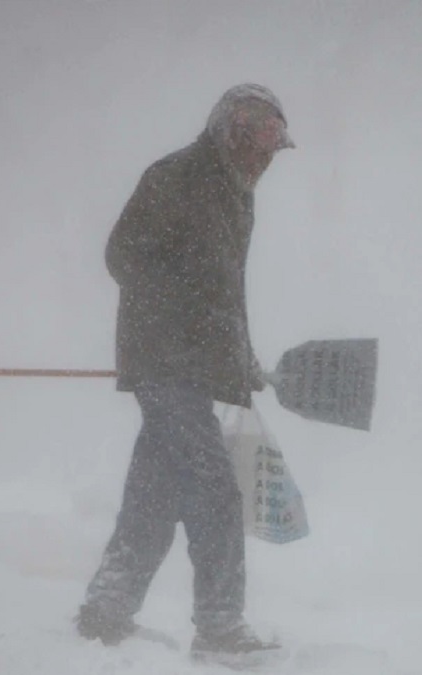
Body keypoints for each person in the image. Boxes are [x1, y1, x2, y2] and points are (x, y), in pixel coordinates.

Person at [75, 84, 296, 665]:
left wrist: (239, 357)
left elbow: (224, 294)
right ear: (231, 132)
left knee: (154, 494)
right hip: (165, 363)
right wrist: (184, 317)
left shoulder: (234, 194)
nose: (264, 158)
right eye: (258, 143)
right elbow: (123, 255)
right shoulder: (177, 177)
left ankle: (106, 610)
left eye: (274, 147)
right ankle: (220, 627)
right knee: (215, 492)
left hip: (194, 368)